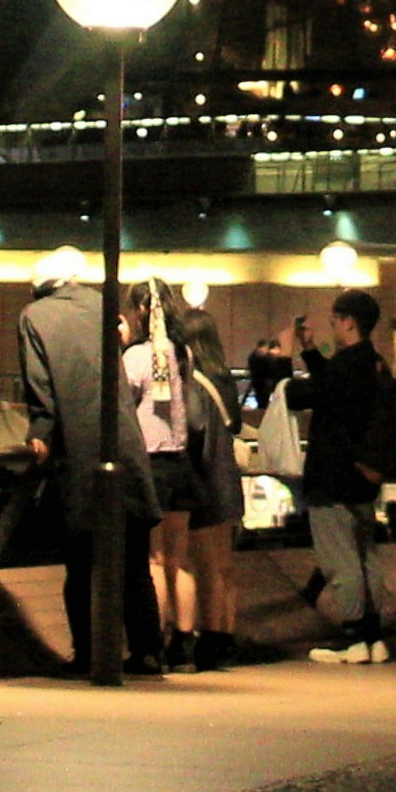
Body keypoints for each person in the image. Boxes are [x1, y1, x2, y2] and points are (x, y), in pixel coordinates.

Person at [15, 266, 157, 673]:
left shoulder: (34, 316)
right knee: (133, 562)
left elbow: (39, 386)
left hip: (78, 454)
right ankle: (147, 650)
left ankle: (89, 652)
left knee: (80, 564)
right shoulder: (104, 306)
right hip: (126, 448)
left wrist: (40, 430)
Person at [290, 287, 396, 663]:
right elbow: (332, 386)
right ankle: (374, 639)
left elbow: (302, 395)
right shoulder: (374, 363)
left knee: (339, 560)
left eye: (334, 321)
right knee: (365, 558)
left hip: (332, 475)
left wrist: (281, 361)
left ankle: (353, 638)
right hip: (363, 475)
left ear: (348, 322)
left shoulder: (345, 365)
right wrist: (310, 351)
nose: (332, 327)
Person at [130, 284, 246, 669]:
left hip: (154, 463)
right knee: (180, 562)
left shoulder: (137, 356)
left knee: (155, 561)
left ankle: (156, 644)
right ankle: (185, 642)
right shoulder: (185, 355)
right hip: (182, 467)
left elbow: (123, 404)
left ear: (142, 310)